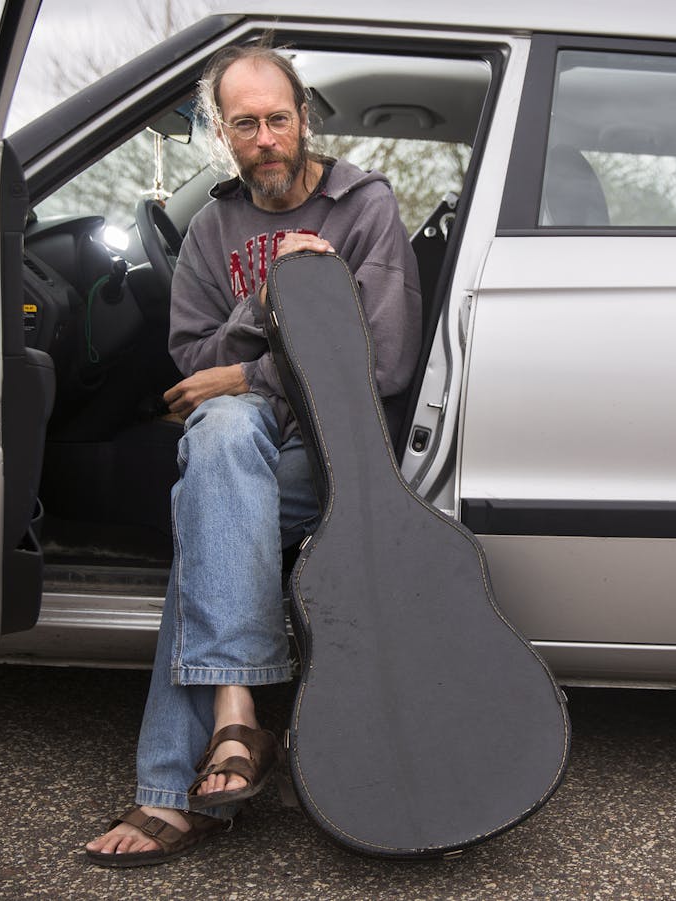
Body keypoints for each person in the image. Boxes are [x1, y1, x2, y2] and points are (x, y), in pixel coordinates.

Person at [85, 40, 422, 867]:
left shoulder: (364, 206)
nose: (266, 138)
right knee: (225, 443)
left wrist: (250, 369)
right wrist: (265, 299)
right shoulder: (211, 229)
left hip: (341, 455)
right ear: (221, 135)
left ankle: (178, 781)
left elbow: (381, 360)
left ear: (304, 117)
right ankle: (237, 719)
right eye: (246, 125)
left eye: (278, 119)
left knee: (214, 494)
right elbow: (196, 372)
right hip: (251, 446)